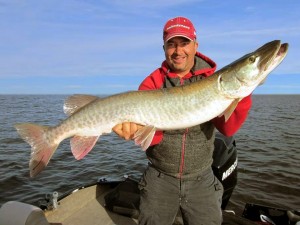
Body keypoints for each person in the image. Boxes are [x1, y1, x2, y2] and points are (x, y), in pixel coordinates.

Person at [113, 16, 252, 225]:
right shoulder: (152, 83)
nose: (178, 51)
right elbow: (150, 139)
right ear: (164, 48)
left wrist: (241, 94)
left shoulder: (212, 81)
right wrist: (132, 131)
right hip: (159, 177)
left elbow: (228, 127)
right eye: (171, 44)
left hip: (202, 178)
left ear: (195, 46)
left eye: (184, 43)